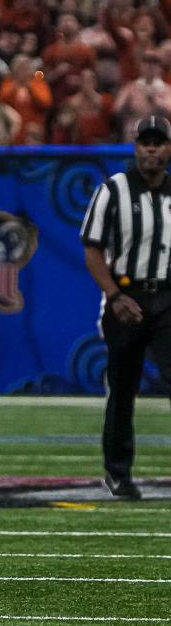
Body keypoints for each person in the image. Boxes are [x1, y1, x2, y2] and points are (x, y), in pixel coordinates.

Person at [80, 114, 171, 501]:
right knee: (123, 388)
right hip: (126, 296)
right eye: (145, 142)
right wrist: (115, 295)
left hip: (168, 297)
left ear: (168, 148)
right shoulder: (113, 190)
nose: (151, 148)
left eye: (159, 141)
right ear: (135, 148)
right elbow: (92, 248)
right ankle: (118, 472)